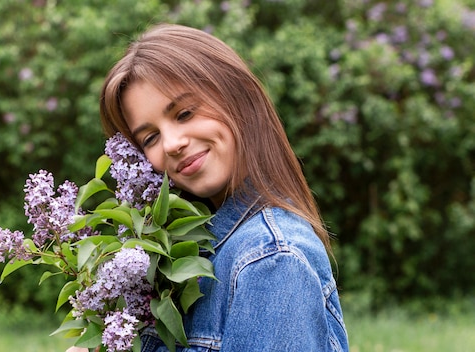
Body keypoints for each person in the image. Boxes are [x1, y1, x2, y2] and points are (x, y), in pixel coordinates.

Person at [70, 23, 349, 351]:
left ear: (238, 96)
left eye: (185, 113)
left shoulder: (271, 260)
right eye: (150, 137)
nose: (172, 143)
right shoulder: (182, 258)